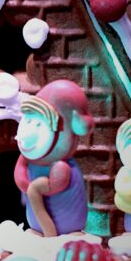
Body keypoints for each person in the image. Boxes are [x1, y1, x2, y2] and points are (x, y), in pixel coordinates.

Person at [14, 80, 94, 236]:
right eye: (28, 121)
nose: (29, 134)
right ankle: (39, 231)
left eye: (39, 125)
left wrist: (39, 187)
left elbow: (55, 184)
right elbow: (21, 174)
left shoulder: (61, 166)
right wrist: (24, 181)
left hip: (67, 223)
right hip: (37, 225)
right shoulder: (26, 160)